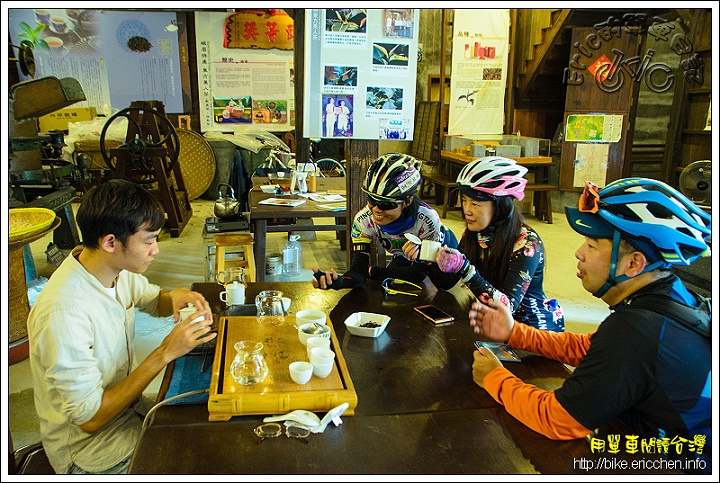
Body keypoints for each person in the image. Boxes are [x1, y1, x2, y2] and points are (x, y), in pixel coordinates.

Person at [469, 178, 712, 473]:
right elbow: (590, 347)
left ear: (634, 263)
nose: (578, 253)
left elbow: (557, 420)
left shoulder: (637, 329)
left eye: (592, 244)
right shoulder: (670, 296)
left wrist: (495, 377)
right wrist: (515, 333)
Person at [27, 179, 217, 474]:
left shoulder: (110, 268)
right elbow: (90, 418)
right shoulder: (64, 313)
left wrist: (177, 296)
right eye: (149, 240)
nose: (155, 250)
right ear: (111, 242)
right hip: (91, 451)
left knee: (208, 418)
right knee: (202, 460)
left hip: (128, 413)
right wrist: (164, 352)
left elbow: (154, 301)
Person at [405, 156, 564, 332]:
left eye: (475, 203)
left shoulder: (527, 244)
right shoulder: (475, 235)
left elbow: (506, 308)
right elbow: (447, 283)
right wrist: (427, 260)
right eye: (464, 200)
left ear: (499, 206)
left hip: (531, 330)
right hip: (490, 324)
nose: (467, 210)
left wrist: (465, 269)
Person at [312, 153, 457, 290]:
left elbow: (418, 274)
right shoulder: (363, 220)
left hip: (445, 251)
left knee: (442, 286)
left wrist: (374, 272)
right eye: (372, 200)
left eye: (385, 204)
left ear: (407, 201)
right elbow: (358, 273)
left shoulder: (427, 221)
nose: (376, 209)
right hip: (404, 256)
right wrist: (340, 282)